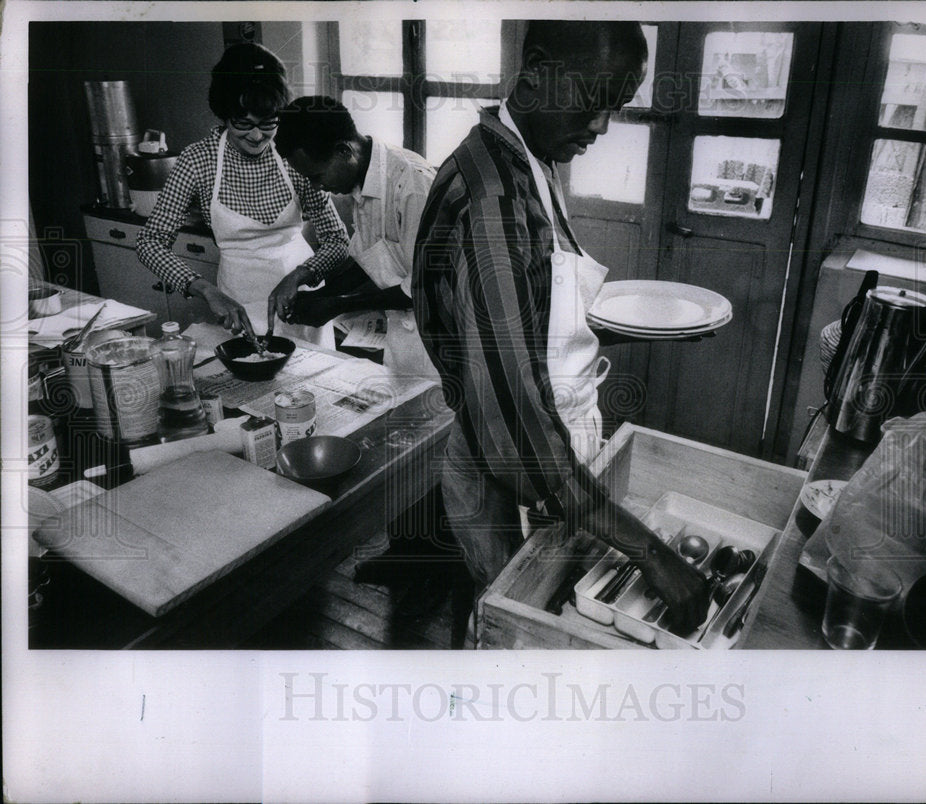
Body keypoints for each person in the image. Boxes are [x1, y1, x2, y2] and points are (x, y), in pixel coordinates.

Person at [413, 20, 710, 633]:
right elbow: (519, 425)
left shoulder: (527, 160)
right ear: (537, 68)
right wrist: (648, 549)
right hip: (519, 474)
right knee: (511, 634)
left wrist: (648, 331)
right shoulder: (493, 202)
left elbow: (536, 323)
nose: (602, 126)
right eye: (592, 101)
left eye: (616, 108)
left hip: (545, 463)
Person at [136, 43, 350, 346]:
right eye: (243, 123)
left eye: (268, 123)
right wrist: (205, 290)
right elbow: (149, 242)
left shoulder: (293, 153)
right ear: (224, 115)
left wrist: (302, 275)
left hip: (302, 303)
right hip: (237, 304)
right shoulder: (198, 160)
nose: (257, 136)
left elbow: (338, 240)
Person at [272, 96, 438, 380]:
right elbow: (371, 261)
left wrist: (338, 305)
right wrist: (320, 294)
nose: (318, 187)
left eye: (317, 176)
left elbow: (423, 289)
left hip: (440, 343)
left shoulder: (413, 186)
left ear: (343, 150)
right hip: (404, 339)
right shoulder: (361, 183)